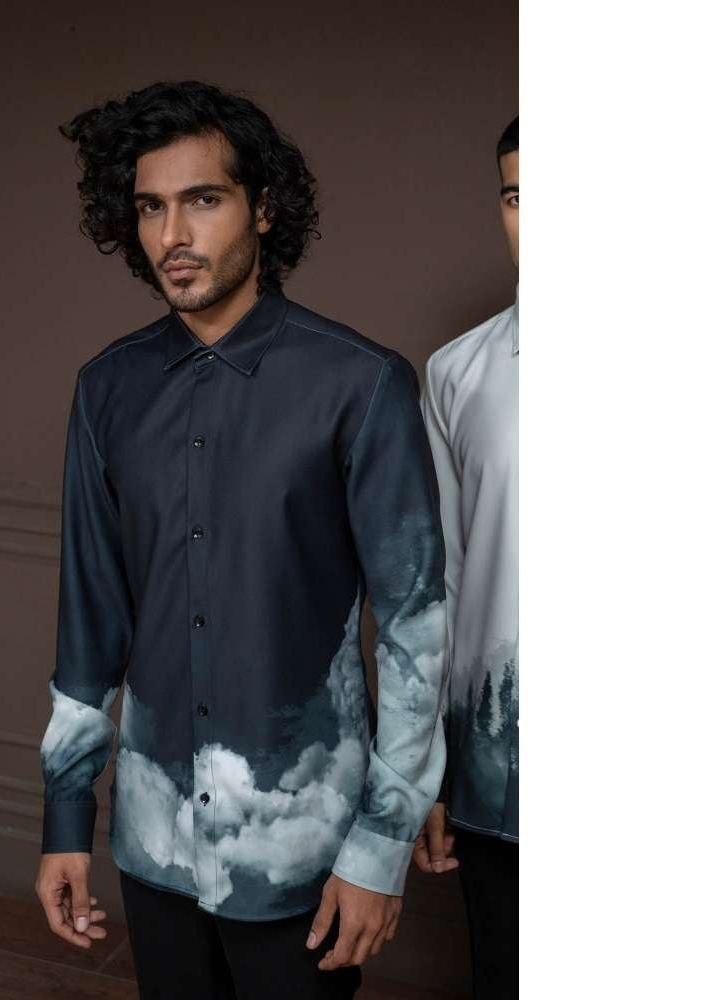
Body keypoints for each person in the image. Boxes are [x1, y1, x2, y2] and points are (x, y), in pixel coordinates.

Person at [34, 80, 450, 1000]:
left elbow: (416, 634)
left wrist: (382, 845)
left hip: (304, 849)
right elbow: (89, 625)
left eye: (203, 200)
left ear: (263, 208)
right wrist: (65, 822)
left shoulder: (361, 384)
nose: (173, 235)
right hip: (153, 844)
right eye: (150, 207)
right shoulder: (105, 390)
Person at [414, 115, 519, 999]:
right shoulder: (456, 372)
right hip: (502, 764)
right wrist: (430, 768)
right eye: (518, 197)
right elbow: (440, 581)